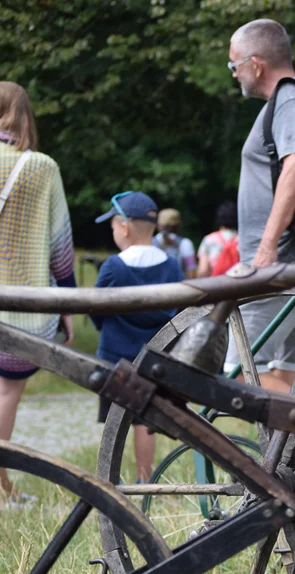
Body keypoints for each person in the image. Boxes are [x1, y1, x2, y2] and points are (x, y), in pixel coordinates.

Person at [0, 81, 76, 506]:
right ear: (25, 115)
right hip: (19, 307)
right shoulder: (40, 167)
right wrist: (68, 304)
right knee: (3, 392)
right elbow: (60, 249)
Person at [225, 18, 295, 391]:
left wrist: (266, 249)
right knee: (285, 370)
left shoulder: (289, 101)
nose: (234, 74)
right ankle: (288, 451)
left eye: (234, 65)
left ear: (256, 64)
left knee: (238, 369)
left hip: (283, 259)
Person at [92, 191, 183, 483]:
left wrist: (102, 326)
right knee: (144, 419)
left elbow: (94, 308)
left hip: (115, 356)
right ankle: (145, 479)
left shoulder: (113, 267)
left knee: (114, 419)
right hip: (156, 358)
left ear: (125, 227)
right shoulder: (171, 265)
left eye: (113, 226)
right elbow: (182, 312)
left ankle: (111, 478)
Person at [198, 201, 239, 277]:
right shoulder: (242, 240)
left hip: (216, 284)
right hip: (240, 284)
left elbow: (203, 271)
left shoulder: (209, 240)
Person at [152, 208, 197, 277]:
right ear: (178, 226)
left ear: (158, 225)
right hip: (178, 286)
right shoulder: (185, 243)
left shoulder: (150, 242)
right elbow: (191, 273)